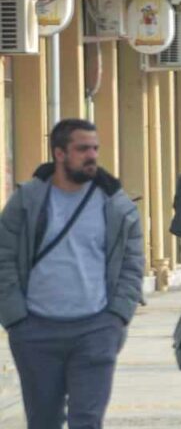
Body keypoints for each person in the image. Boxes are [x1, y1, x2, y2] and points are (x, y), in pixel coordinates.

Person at [0, 119, 144, 429]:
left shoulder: (115, 205)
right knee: (43, 421)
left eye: (95, 148)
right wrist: (15, 318)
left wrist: (117, 316)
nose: (92, 155)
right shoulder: (26, 202)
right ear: (60, 153)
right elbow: (4, 258)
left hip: (95, 329)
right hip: (35, 330)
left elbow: (133, 263)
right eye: (82, 149)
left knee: (87, 421)